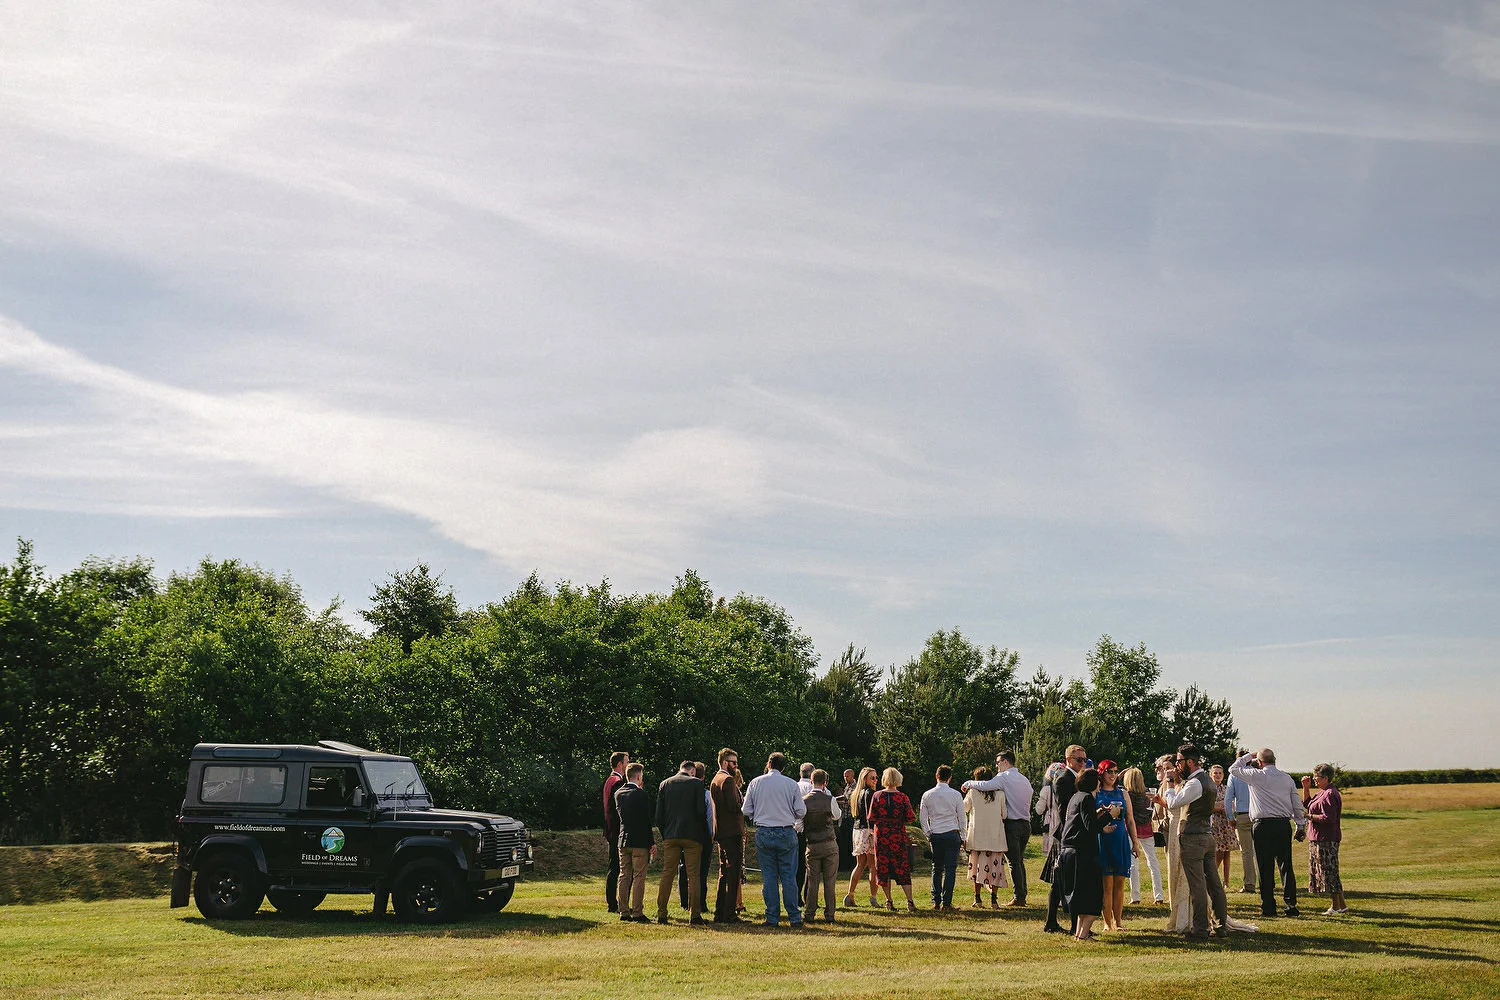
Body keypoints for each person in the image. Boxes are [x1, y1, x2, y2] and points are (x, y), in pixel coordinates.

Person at [1157, 743, 1229, 939]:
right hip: (1207, 835)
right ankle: (1220, 925)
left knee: (1197, 885)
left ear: (1189, 761)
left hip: (1192, 838)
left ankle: (1200, 928)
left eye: (1179, 761)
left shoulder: (1195, 783)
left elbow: (1173, 803)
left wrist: (1170, 783)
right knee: (1214, 884)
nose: (1177, 765)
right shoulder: (1207, 780)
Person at [1229, 748, 1307, 918]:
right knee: (1286, 864)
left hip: (1263, 824)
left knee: (1265, 866)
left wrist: (1249, 755)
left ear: (1260, 762)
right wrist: (1300, 825)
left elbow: (1233, 769)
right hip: (1282, 824)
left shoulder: (1257, 776)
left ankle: (1268, 906)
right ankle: (1290, 904)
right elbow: (1296, 804)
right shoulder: (1287, 778)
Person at [741, 752, 807, 927]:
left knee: (769, 876)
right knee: (788, 875)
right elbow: (801, 811)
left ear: (769, 764)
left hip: (764, 830)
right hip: (786, 831)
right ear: (783, 767)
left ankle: (772, 917)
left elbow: (746, 810)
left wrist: (759, 813)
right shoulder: (791, 784)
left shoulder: (755, 783)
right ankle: (794, 916)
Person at [960, 750, 1033, 906]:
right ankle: (1022, 893)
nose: (996, 765)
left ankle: (1019, 897)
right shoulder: (1024, 779)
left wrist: (968, 783)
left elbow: (986, 785)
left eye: (998, 762)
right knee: (1019, 861)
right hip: (1026, 823)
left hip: (1012, 824)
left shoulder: (1003, 778)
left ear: (1005, 762)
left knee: (1014, 863)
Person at [1057, 767, 1111, 941]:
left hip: (1070, 850)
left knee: (1081, 896)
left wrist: (1099, 813)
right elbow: (1091, 827)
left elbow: (1082, 820)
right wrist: (1110, 815)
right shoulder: (1087, 797)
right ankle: (1083, 934)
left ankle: (1080, 934)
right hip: (1084, 853)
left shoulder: (1076, 796)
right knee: (1092, 896)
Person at [655, 760, 708, 925]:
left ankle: (662, 913)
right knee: (693, 876)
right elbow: (701, 811)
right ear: (692, 771)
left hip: (671, 835)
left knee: (667, 874)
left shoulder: (665, 784)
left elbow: (658, 816)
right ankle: (695, 915)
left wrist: (666, 834)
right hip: (692, 836)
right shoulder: (696, 784)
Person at [1043, 745, 1088, 933]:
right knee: (1062, 880)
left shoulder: (1077, 778)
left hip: (1070, 836)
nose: (1083, 763)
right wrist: (1072, 835)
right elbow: (1064, 812)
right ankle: (1059, 923)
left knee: (1062, 881)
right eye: (1079, 760)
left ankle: (1054, 923)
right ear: (1069, 760)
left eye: (1085, 760)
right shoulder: (1063, 780)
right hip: (1066, 836)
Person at [1094, 760, 1140, 931]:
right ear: (1102, 773)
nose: (1113, 775)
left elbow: (1130, 819)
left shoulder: (1123, 793)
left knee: (1120, 883)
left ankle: (1118, 922)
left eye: (1115, 772)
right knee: (1107, 884)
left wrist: (1135, 843)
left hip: (1120, 837)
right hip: (1103, 839)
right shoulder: (1096, 793)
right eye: (1109, 772)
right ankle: (1107, 923)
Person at [870, 767, 918, 912]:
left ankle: (888, 900)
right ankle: (909, 901)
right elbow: (910, 817)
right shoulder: (903, 797)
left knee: (883, 867)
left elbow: (871, 816)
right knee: (902, 867)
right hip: (898, 835)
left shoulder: (877, 796)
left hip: (882, 834)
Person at [1302, 763, 1346, 915]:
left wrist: (1309, 817)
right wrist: (1306, 789)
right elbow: (1308, 804)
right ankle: (1342, 905)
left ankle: (1335, 906)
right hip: (1318, 838)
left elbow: (1329, 818)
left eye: (1317, 778)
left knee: (1329, 872)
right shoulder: (1322, 792)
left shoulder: (1329, 794)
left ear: (1326, 778)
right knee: (1331, 871)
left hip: (1326, 839)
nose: (1315, 780)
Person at [920, 765, 966, 911]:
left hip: (936, 833)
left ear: (936, 776)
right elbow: (962, 817)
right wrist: (963, 835)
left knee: (937, 868)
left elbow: (923, 817)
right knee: (950, 868)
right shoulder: (956, 794)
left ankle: (936, 901)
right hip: (952, 833)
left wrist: (928, 833)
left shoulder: (927, 794)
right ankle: (947, 902)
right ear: (950, 778)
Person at [962, 765, 1009, 907]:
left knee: (976, 867)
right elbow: (1005, 815)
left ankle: (977, 898)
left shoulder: (973, 792)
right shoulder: (1000, 794)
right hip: (995, 837)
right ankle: (994, 899)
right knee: (996, 868)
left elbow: (964, 808)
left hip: (978, 836)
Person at [613, 763, 655, 923]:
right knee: (639, 877)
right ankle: (637, 911)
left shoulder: (618, 793)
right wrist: (652, 842)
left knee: (624, 875)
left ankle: (623, 910)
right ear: (638, 777)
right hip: (639, 841)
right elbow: (646, 821)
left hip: (623, 839)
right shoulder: (641, 795)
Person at [801, 769, 842, 922]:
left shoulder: (804, 800)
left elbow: (798, 824)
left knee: (812, 881)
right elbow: (837, 815)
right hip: (829, 843)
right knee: (830, 881)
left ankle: (810, 913)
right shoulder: (829, 799)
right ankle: (830, 914)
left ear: (811, 781)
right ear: (825, 783)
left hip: (812, 844)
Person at [710, 747, 745, 923]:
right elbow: (733, 807)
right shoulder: (728, 780)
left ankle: (719, 911)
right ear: (725, 762)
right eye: (734, 763)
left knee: (723, 872)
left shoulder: (715, 779)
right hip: (732, 832)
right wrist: (744, 804)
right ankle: (729, 913)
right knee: (733, 873)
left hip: (721, 832)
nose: (736, 766)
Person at [1122, 766, 1164, 905]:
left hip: (1130, 829)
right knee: (1153, 862)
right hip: (1146, 828)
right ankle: (1158, 895)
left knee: (1133, 864)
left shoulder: (1126, 794)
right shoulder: (1148, 794)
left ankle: (1135, 896)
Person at [678, 761, 714, 913]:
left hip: (682, 833)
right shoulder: (706, 794)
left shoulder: (680, 792)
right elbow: (710, 817)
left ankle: (684, 901)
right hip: (702, 836)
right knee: (701, 871)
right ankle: (700, 902)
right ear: (703, 777)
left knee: (684, 868)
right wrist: (712, 835)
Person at [843, 766, 880, 908]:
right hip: (869, 830)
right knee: (872, 866)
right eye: (872, 777)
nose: (875, 780)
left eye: (876, 777)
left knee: (860, 864)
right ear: (865, 779)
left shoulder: (856, 794)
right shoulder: (872, 794)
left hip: (858, 830)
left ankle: (850, 894)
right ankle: (873, 897)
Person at [1223, 752, 1258, 893]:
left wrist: (1230, 817)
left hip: (1243, 815)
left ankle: (1249, 884)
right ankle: (1266, 881)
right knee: (1261, 851)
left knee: (1247, 852)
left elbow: (1228, 799)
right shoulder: (1257, 773)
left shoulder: (1234, 776)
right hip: (1258, 815)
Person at [601, 751, 630, 914]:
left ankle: (613, 902)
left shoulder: (609, 780)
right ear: (620, 764)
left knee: (614, 867)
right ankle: (614, 903)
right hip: (617, 830)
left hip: (610, 829)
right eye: (626, 762)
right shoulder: (618, 782)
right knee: (617, 869)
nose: (628, 764)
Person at [1209, 764, 1238, 889]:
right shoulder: (1209, 789)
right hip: (1215, 823)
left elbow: (1232, 805)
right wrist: (1220, 805)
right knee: (1218, 851)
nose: (1217, 775)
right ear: (1211, 775)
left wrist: (1222, 805)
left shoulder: (1226, 789)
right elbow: (1209, 805)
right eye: (1215, 773)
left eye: (1220, 773)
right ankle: (1212, 878)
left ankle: (1226, 881)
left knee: (1227, 852)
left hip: (1226, 822)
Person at [794, 762, 815, 893]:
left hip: (794, 829)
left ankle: (796, 895)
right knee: (811, 866)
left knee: (797, 864)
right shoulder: (813, 788)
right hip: (811, 830)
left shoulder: (794, 786)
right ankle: (809, 895)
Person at [836, 769, 857, 871]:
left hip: (851, 817)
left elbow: (852, 801)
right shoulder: (847, 787)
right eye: (844, 776)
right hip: (844, 817)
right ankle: (845, 865)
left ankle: (852, 865)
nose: (845, 778)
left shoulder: (856, 787)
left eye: (847, 776)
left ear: (852, 776)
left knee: (850, 842)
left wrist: (841, 802)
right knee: (844, 842)